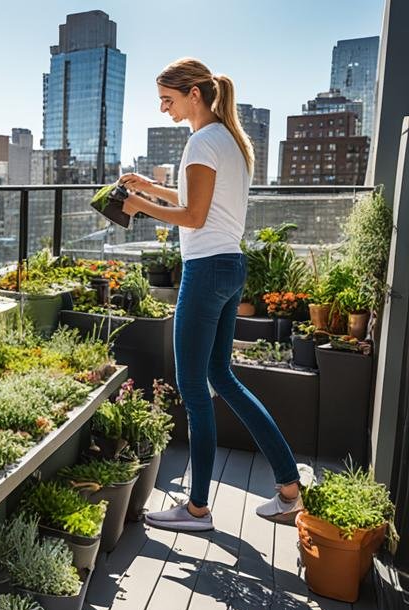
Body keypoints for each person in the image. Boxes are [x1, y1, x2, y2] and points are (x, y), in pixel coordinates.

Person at [117, 58, 303, 532]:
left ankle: (196, 508)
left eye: (168, 100)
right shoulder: (231, 140)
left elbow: (194, 217)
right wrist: (151, 188)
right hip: (231, 267)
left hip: (204, 271)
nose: (164, 110)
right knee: (221, 375)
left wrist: (139, 206)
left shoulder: (201, 141)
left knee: (194, 387)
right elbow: (201, 204)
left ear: (194, 94)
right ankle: (288, 487)